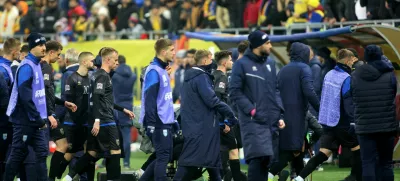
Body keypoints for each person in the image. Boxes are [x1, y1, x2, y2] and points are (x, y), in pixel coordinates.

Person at [62, 47, 135, 181]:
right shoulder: (102, 76)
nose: (118, 63)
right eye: (116, 60)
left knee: (92, 154)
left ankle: (68, 177)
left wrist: (122, 109)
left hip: (98, 119)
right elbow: (96, 97)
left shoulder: (96, 75)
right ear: (107, 60)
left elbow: (104, 100)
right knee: (115, 151)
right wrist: (97, 120)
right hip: (105, 120)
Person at [293, 49, 362, 181]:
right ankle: (356, 178)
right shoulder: (346, 78)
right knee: (358, 149)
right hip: (342, 122)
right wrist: (354, 119)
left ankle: (299, 179)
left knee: (323, 153)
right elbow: (347, 102)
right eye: (353, 60)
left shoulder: (329, 74)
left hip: (328, 121)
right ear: (349, 60)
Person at [173, 49, 237, 181]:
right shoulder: (201, 77)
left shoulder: (189, 76)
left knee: (211, 163)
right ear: (205, 60)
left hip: (196, 125)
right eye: (211, 58)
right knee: (189, 163)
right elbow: (212, 100)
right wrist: (230, 114)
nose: (212, 61)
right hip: (201, 128)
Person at [229, 30, 284, 181]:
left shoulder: (270, 63)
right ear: (258, 45)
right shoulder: (241, 65)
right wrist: (252, 110)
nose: (270, 46)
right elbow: (235, 92)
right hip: (252, 121)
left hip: (271, 119)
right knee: (257, 157)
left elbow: (275, 90)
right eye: (267, 43)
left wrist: (278, 113)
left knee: (267, 160)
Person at [268, 42, 320, 180]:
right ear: (303, 53)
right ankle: (270, 174)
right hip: (297, 115)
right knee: (295, 150)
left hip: (283, 114)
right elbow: (309, 91)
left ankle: (297, 177)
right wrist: (320, 108)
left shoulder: (284, 69)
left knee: (293, 149)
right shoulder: (304, 69)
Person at [4, 33, 48, 181]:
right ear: (32, 48)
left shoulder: (36, 64)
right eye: (40, 45)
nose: (44, 48)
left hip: (34, 119)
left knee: (42, 152)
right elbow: (25, 96)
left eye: (44, 45)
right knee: (17, 153)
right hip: (25, 119)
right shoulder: (27, 67)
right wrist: (38, 118)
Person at [352, 45, 398, 181]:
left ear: (364, 57)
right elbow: (393, 94)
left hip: (364, 126)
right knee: (386, 164)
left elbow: (353, 96)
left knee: (368, 163)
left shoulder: (355, 75)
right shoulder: (389, 74)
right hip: (387, 125)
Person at [139, 38, 177, 181]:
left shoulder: (161, 70)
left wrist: (172, 120)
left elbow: (164, 99)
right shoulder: (154, 71)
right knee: (163, 157)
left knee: (164, 156)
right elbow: (150, 100)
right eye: (172, 50)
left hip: (165, 120)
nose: (174, 53)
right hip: (158, 121)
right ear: (163, 51)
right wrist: (151, 124)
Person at [41, 41, 77, 181]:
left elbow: (49, 94)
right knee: (39, 150)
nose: (59, 57)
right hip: (46, 115)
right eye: (58, 54)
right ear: (51, 52)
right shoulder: (46, 68)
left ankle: (52, 177)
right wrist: (51, 114)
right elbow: (43, 93)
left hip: (50, 113)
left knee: (63, 145)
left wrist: (63, 103)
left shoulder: (48, 68)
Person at [60, 52, 96, 180]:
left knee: (90, 153)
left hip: (87, 122)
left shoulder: (92, 77)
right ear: (84, 62)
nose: (95, 62)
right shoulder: (71, 77)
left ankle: (78, 178)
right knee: (73, 153)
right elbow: (68, 101)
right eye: (92, 60)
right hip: (74, 122)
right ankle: (59, 175)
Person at [212, 50, 243, 181]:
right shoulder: (222, 77)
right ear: (224, 63)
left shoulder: (212, 75)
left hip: (214, 121)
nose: (232, 62)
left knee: (222, 151)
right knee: (233, 149)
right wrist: (224, 121)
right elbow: (218, 98)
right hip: (221, 122)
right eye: (230, 60)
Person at [0, 38, 20, 180]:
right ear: (13, 52)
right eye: (19, 51)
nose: (19, 54)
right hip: (3, 121)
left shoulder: (9, 67)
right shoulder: (2, 69)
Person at [112, 55, 136, 169]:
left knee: (112, 136)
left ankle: (109, 161)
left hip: (116, 107)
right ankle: (126, 162)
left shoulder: (115, 76)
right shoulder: (133, 75)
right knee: (126, 136)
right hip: (128, 106)